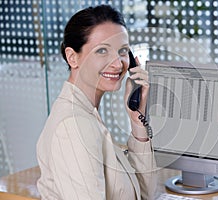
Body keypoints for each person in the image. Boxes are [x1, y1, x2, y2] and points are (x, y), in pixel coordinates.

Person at [36, 4, 157, 200]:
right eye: (102, 51)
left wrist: (137, 122)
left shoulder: (88, 115)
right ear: (72, 57)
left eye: (123, 51)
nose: (118, 63)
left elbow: (145, 194)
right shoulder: (74, 125)